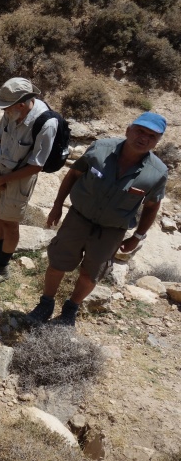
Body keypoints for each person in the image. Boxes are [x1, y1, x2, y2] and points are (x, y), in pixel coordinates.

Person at [26, 112, 168, 327]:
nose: (144, 138)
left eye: (152, 136)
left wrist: (137, 236)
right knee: (57, 264)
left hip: (111, 232)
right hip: (77, 220)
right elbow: (73, 175)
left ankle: (70, 309)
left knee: (91, 275)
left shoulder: (157, 173)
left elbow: (151, 206)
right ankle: (45, 303)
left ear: (157, 141)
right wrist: (57, 206)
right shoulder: (100, 149)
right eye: (140, 131)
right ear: (128, 130)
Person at [0, 77, 58, 287]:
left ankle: (2, 268)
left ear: (21, 103)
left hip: (20, 180)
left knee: (10, 223)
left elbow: (37, 165)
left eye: (7, 106)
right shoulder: (12, 112)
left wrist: (4, 180)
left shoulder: (46, 124)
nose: (4, 110)